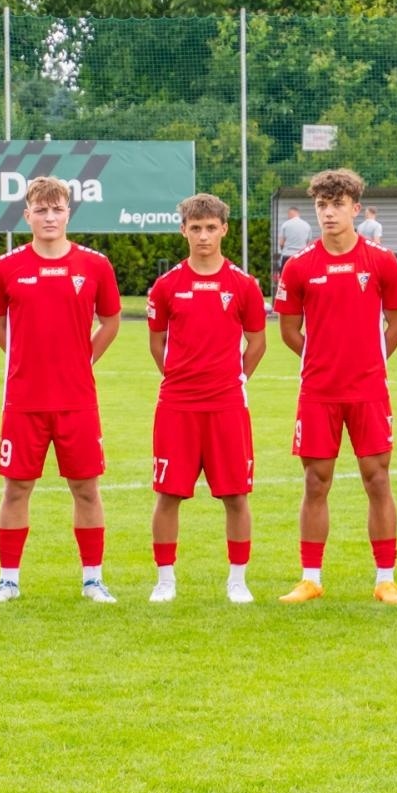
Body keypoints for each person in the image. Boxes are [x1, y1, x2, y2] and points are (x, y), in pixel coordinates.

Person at [0, 177, 121, 603]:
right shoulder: (6, 267)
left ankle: (93, 579)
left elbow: (111, 321)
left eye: (57, 209)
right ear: (27, 216)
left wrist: (85, 357)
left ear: (68, 213)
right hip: (23, 400)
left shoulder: (95, 265)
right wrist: (23, 358)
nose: (49, 217)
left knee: (86, 488)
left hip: (77, 400)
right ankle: (8, 580)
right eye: (40, 210)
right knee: (16, 488)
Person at [275, 168, 397, 604]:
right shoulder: (299, 266)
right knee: (316, 481)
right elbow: (289, 330)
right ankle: (310, 578)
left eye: (337, 205)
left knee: (378, 479)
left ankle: (385, 579)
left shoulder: (381, 261)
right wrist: (322, 361)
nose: (329, 213)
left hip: (369, 391)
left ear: (356, 208)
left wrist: (371, 360)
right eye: (322, 205)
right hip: (318, 392)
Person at [145, 193, 267, 602]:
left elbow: (257, 342)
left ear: (224, 230)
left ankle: (237, 580)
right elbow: (157, 342)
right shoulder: (166, 286)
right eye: (195, 228)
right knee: (169, 493)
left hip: (227, 405)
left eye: (210, 228)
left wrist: (235, 379)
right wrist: (180, 378)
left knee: (236, 494)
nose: (203, 236)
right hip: (177, 406)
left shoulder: (243, 285)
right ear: (183, 230)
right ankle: (165, 580)